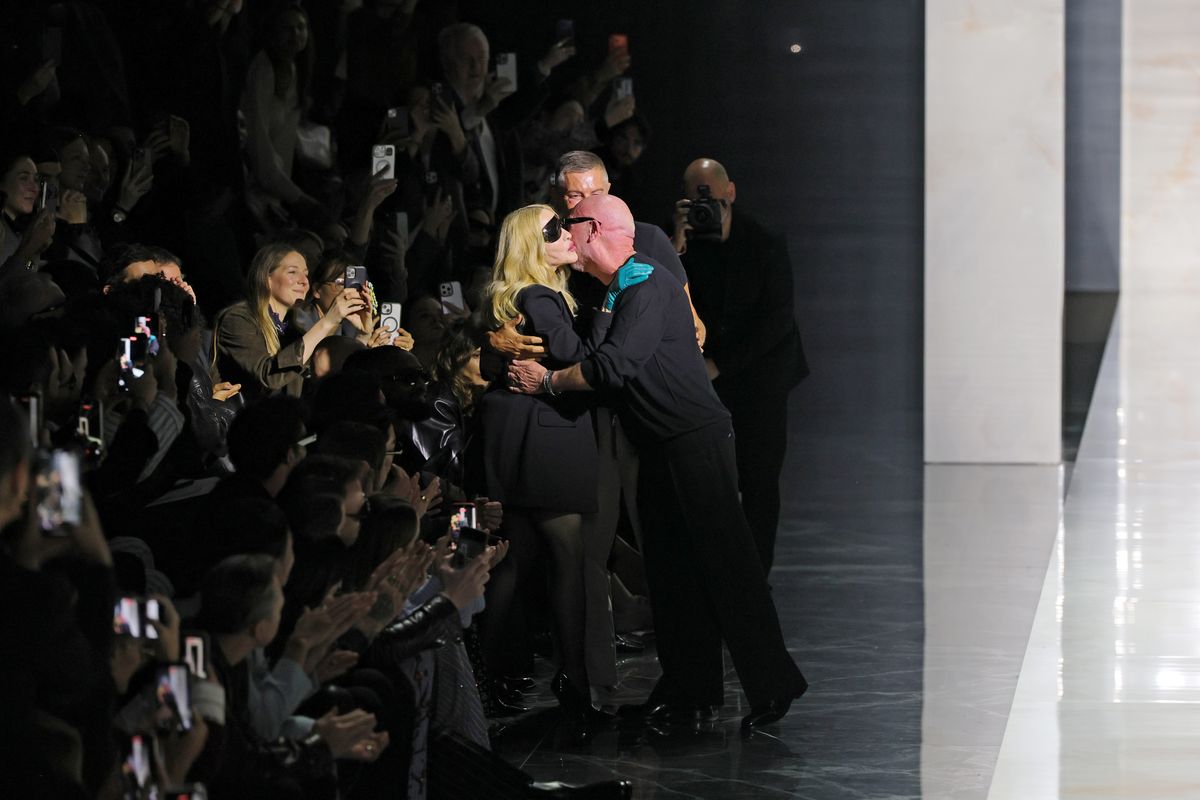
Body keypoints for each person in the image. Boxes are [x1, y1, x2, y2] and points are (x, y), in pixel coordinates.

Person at [506, 194, 807, 731]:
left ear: (593, 228)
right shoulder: (616, 289)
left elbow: (612, 367)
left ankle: (774, 685)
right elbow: (595, 357)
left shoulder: (643, 283)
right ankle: (690, 694)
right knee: (672, 578)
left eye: (569, 225)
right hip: (662, 447)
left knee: (727, 567)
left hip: (694, 445)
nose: (565, 235)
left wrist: (547, 381)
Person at [478, 204, 643, 722]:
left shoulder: (528, 298)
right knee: (565, 565)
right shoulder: (541, 297)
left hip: (524, 439)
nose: (568, 234)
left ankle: (492, 676)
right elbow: (581, 357)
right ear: (533, 247)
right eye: (554, 230)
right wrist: (613, 310)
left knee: (514, 560)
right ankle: (570, 682)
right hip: (548, 439)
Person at [671, 158, 809, 574]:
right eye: (696, 199)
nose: (706, 208)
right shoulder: (684, 246)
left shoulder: (765, 241)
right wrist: (676, 240)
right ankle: (718, 576)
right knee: (709, 485)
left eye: (711, 198)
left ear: (730, 193)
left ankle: (756, 579)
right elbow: (663, 296)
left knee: (760, 481)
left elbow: (778, 321)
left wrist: (720, 363)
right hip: (707, 380)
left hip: (761, 377)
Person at [213, 241, 367, 402]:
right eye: (293, 272)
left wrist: (363, 336)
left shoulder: (292, 328)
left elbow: (309, 390)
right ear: (267, 279)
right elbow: (269, 377)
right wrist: (328, 321)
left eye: (306, 274)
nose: (304, 281)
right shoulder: (238, 319)